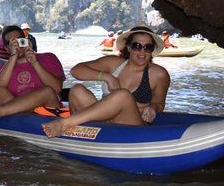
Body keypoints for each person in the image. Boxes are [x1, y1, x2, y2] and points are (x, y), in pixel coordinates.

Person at [42, 23, 171, 138]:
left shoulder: (159, 74)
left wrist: (153, 108)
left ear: (152, 50)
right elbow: (76, 70)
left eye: (147, 47)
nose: (142, 51)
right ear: (128, 47)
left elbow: (159, 103)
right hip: (105, 122)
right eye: (137, 46)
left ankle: (65, 124)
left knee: (122, 95)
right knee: (77, 90)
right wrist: (106, 76)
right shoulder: (113, 63)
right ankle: (81, 135)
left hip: (131, 125)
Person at [0, 24, 65, 137]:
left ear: (26, 40)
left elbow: (56, 88)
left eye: (19, 40)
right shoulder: (3, 69)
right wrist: (13, 56)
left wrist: (35, 63)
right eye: (12, 43)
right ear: (6, 48)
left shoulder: (48, 58)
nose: (17, 45)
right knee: (0, 90)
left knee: (47, 91)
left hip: (46, 108)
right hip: (18, 110)